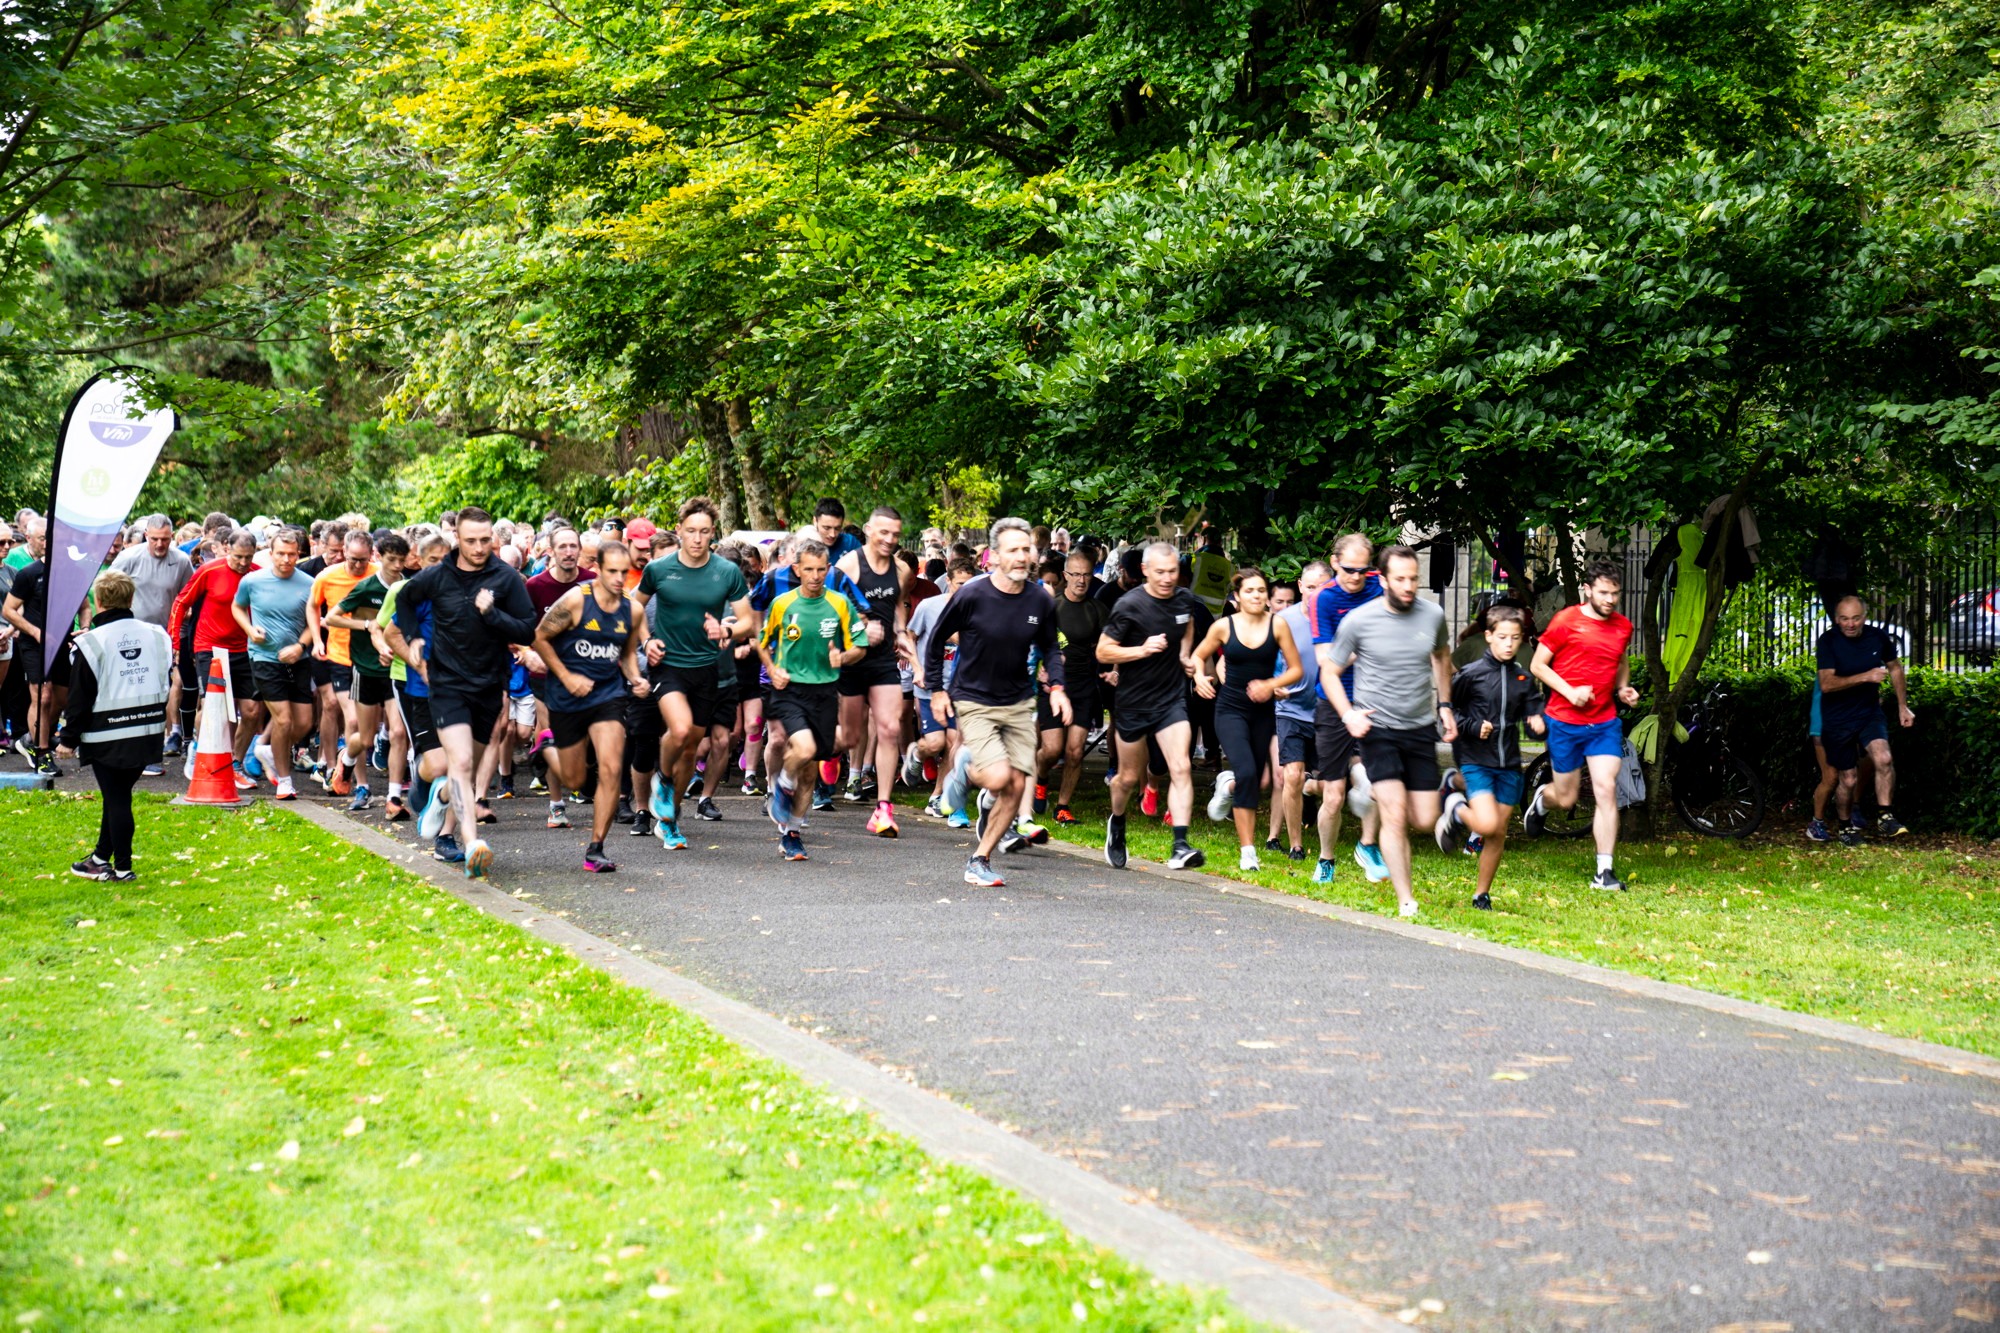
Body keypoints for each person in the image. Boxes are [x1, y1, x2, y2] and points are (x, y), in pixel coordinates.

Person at [925, 518, 1068, 887]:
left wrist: (1058, 688)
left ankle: (979, 859)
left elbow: (1050, 647)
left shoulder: (1040, 599)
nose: (1023, 556)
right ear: (995, 557)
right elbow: (937, 637)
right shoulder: (972, 595)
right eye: (1014, 550)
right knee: (1000, 776)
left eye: (1027, 549)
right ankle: (965, 772)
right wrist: (937, 691)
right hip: (974, 698)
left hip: (1019, 701)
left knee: (1017, 785)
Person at [397, 507, 537, 879]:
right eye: (470, 540)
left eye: (485, 540)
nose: (478, 548)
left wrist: (492, 615)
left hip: (489, 685)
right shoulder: (437, 576)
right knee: (459, 762)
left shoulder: (507, 579)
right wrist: (414, 638)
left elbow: (527, 630)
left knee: (469, 766)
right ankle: (472, 842)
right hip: (446, 684)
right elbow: (404, 601)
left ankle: (440, 799)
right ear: (456, 538)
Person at [1321, 545, 1456, 918]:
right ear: (1381, 580)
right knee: (1395, 815)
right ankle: (1406, 900)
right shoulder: (1359, 621)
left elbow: (1442, 657)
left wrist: (1444, 705)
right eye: (1400, 579)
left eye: (1413, 578)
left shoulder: (1433, 616)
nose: (1409, 586)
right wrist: (1348, 715)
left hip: (1419, 728)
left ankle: (1365, 786)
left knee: (1425, 819)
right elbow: (1329, 673)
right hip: (1377, 728)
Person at [632, 496, 753, 851]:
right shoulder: (659, 569)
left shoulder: (726, 572)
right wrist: (646, 641)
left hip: (706, 669)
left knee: (690, 751)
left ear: (713, 533)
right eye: (690, 531)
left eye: (704, 532)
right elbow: (635, 608)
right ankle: (663, 781)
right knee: (680, 729)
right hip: (668, 665)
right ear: (679, 531)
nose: (697, 539)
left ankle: (669, 820)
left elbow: (748, 621)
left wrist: (727, 631)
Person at [532, 539, 649, 871]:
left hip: (607, 696)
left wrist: (635, 678)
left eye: (623, 572)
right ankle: (546, 747)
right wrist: (567, 677)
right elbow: (539, 637)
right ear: (597, 568)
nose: (618, 579)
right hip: (567, 696)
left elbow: (626, 653)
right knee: (573, 779)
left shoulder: (632, 609)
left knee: (612, 768)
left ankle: (596, 848)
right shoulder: (576, 601)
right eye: (611, 571)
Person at [1522, 559, 1640, 890]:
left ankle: (1604, 872)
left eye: (1615, 593)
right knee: (1567, 797)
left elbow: (1620, 659)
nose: (1610, 600)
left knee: (1605, 788)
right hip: (1565, 721)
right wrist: (1570, 691)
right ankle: (1542, 800)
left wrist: (1622, 687)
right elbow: (1537, 665)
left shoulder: (1622, 626)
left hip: (1603, 721)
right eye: (1603, 593)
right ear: (1587, 590)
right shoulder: (1565, 621)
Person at [56, 570, 170, 881]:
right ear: (130, 598)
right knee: (117, 795)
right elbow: (164, 677)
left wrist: (68, 739)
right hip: (148, 731)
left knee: (118, 799)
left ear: (101, 600)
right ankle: (98, 857)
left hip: (107, 733)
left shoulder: (91, 643)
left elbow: (78, 698)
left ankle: (121, 867)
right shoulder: (158, 634)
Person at [1098, 541, 1202, 871]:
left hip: (1171, 699)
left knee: (1181, 767)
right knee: (1127, 779)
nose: (1168, 578)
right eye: (1160, 572)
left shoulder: (1184, 599)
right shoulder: (1129, 605)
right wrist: (1141, 650)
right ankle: (1117, 824)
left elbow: (1187, 625)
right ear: (1145, 571)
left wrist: (1185, 654)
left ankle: (1180, 845)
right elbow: (1103, 652)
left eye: (1173, 571)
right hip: (1133, 703)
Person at [759, 539, 865, 861]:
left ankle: (791, 833)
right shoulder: (782, 603)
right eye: (809, 570)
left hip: (824, 692)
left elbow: (860, 646)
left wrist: (843, 658)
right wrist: (772, 668)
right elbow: (762, 642)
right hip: (789, 689)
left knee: (809, 770)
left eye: (821, 569)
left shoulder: (840, 604)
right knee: (802, 750)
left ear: (828, 569)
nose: (816, 576)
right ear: (796, 569)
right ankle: (781, 785)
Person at [1193, 568, 1305, 870]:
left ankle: (1224, 784)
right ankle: (1248, 851)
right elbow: (1198, 655)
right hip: (1230, 710)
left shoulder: (1278, 625)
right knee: (1246, 772)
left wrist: (1269, 685)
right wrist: (1201, 678)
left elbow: (1296, 669)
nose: (1256, 595)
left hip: (1263, 713)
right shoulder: (1224, 627)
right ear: (1237, 596)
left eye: (1260, 591)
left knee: (1255, 780)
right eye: (1249, 591)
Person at [1435, 605, 1546, 909]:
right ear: (1488, 637)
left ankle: (1481, 894)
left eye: (1515, 638)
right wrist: (1473, 726)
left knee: (1497, 833)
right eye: (1502, 637)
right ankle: (1456, 809)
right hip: (1475, 758)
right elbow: (1448, 711)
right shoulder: (1470, 675)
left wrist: (1538, 723)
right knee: (1485, 824)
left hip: (1509, 763)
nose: (1509, 644)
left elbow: (1534, 711)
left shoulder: (1522, 679)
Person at [1310, 534, 1387, 884]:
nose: (1356, 577)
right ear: (1335, 561)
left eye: (1363, 569)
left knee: (1378, 782)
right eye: (1349, 569)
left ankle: (1367, 845)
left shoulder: (1379, 585)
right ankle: (1326, 858)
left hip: (1375, 698)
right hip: (1333, 702)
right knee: (1334, 794)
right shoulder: (1324, 598)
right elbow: (1326, 662)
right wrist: (1365, 645)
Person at [834, 506, 914, 834]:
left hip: (883, 661)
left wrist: (902, 633)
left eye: (895, 534)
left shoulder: (901, 570)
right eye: (884, 532)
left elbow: (897, 605)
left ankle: (883, 809)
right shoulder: (848, 565)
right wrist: (859, 627)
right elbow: (829, 610)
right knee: (850, 737)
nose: (890, 540)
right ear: (868, 529)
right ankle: (824, 755)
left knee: (890, 728)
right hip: (852, 659)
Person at [1815, 595, 1913, 844]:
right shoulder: (1828, 641)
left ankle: (1885, 816)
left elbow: (1895, 667)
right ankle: (1845, 826)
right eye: (1845, 619)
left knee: (1884, 758)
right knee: (1847, 779)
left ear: (1864, 618)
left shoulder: (1877, 637)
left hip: (1869, 713)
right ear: (1837, 619)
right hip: (1837, 719)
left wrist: (1903, 706)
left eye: (1855, 618)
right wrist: (1865, 677)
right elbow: (1827, 684)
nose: (1850, 624)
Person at [167, 528, 262, 783]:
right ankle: (197, 748)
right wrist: (175, 641)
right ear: (227, 548)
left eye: (248, 557)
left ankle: (235, 763)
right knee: (213, 706)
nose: (243, 563)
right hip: (210, 647)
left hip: (244, 648)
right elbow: (181, 602)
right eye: (238, 556)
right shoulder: (209, 571)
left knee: (252, 711)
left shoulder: (257, 574)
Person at [231, 527, 317, 801]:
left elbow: (312, 623)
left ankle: (269, 749)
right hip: (264, 657)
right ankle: (285, 781)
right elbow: (237, 607)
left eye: (292, 554)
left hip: (297, 659)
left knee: (303, 723)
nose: (286, 559)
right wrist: (250, 630)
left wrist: (300, 646)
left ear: (299, 554)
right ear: (271, 553)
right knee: (283, 719)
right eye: (281, 554)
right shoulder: (252, 581)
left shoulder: (308, 583)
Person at [328, 533, 409, 811]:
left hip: (396, 669)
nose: (397, 565)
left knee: (398, 733)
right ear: (379, 557)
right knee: (365, 737)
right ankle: (349, 763)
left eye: (402, 560)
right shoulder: (367, 588)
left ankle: (394, 797)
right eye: (391, 560)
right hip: (366, 668)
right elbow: (331, 617)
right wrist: (367, 625)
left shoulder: (408, 587)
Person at [111, 514, 193, 753]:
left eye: (165, 540)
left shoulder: (181, 561)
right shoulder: (128, 558)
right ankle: (129, 735)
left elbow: (187, 597)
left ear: (172, 537)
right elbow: (107, 590)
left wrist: (184, 617)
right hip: (131, 636)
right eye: (155, 539)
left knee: (165, 687)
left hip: (167, 635)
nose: (160, 545)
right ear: (146, 535)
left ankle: (168, 734)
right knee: (133, 687)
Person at [908, 555, 975, 823]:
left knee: (954, 744)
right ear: (948, 581)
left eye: (970, 585)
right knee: (935, 743)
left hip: (961, 688)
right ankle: (916, 754)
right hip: (931, 687)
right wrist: (917, 668)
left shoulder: (977, 610)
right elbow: (909, 638)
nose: (965, 590)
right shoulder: (928, 606)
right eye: (960, 584)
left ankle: (942, 798)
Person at [1270, 561, 1328, 862]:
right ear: (1301, 587)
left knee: (1329, 782)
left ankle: (1311, 798)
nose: (1315, 593)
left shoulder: (1337, 618)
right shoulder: (1284, 620)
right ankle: (1296, 845)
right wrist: (1273, 684)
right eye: (1310, 587)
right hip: (1290, 709)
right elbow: (1267, 657)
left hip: (1326, 712)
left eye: (1323, 586)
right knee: (1291, 776)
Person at [1048, 548, 1110, 825]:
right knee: (1051, 749)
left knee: (1074, 751)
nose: (1082, 580)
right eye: (1076, 575)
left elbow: (1110, 646)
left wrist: (1114, 670)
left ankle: (1062, 805)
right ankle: (1039, 780)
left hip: (1084, 685)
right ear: (1065, 575)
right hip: (1052, 685)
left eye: (1087, 575)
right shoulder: (1052, 607)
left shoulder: (1097, 610)